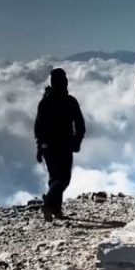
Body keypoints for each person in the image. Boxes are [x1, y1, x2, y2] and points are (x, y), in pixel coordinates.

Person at [34, 68, 86, 221]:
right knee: (63, 178)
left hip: (49, 147)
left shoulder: (45, 102)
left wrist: (39, 146)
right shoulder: (69, 101)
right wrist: (76, 141)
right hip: (64, 145)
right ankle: (49, 204)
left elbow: (38, 127)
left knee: (55, 177)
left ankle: (56, 209)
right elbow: (80, 125)